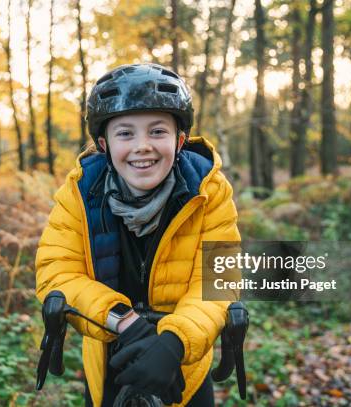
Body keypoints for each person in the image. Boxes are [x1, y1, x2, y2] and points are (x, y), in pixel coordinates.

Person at [35, 63, 240, 406]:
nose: (142, 146)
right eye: (126, 134)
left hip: (183, 367)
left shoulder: (209, 191)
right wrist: (125, 322)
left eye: (157, 132)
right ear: (104, 144)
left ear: (180, 140)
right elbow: (57, 272)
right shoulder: (80, 193)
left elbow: (218, 280)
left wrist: (174, 342)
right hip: (108, 363)